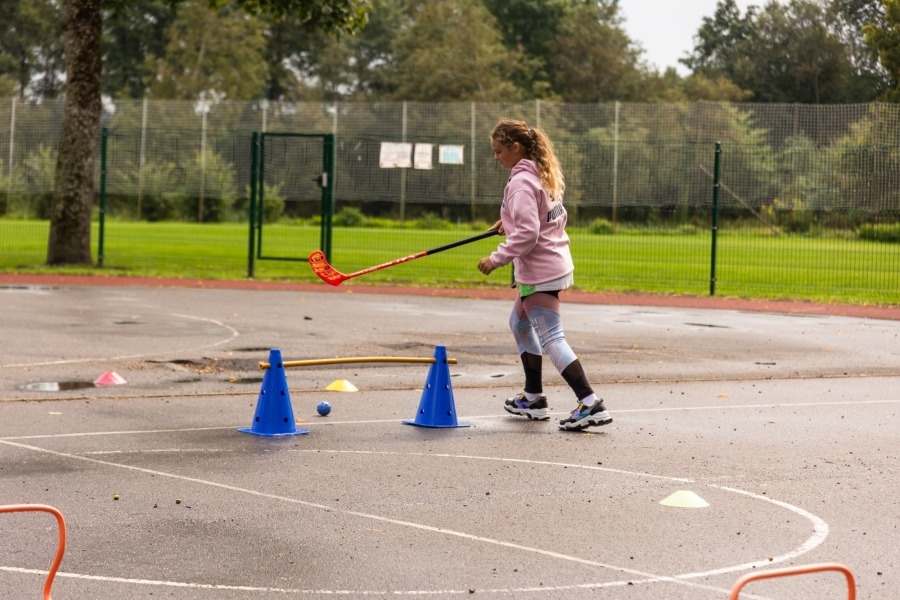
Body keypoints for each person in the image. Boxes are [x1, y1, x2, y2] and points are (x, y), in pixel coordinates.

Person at [477, 118, 612, 432]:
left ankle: (590, 402)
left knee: (552, 337)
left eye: (499, 151)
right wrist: (506, 221)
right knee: (520, 323)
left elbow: (527, 234)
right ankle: (533, 398)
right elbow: (534, 217)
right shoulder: (539, 171)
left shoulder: (521, 182)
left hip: (540, 270)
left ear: (515, 147)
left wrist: (496, 258)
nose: (496, 157)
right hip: (552, 263)